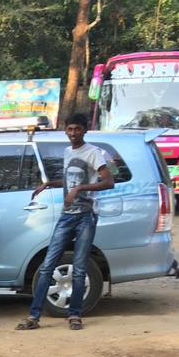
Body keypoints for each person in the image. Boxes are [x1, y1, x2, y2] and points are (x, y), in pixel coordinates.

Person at [16, 112, 114, 332]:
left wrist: (79, 189)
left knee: (79, 268)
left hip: (86, 216)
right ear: (65, 130)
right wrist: (50, 183)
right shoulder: (68, 151)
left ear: (84, 130)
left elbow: (108, 181)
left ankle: (75, 315)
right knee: (47, 265)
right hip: (67, 215)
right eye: (69, 129)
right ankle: (34, 316)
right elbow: (71, 181)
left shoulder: (93, 153)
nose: (73, 133)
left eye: (77, 129)